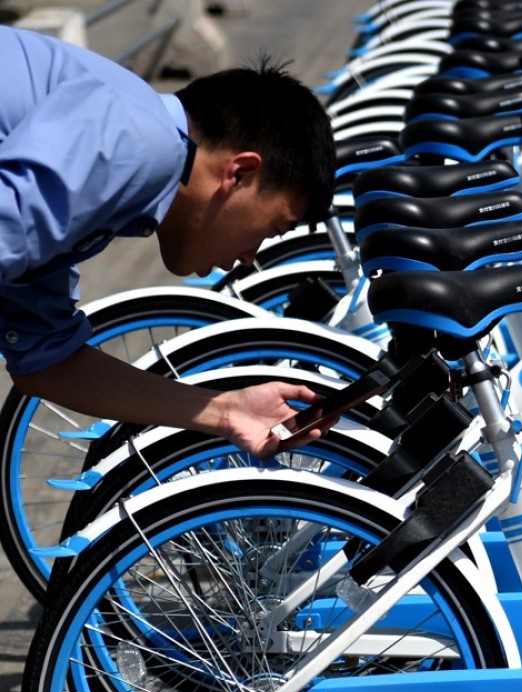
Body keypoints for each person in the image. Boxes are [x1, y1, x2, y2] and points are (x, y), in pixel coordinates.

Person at [0, 25, 339, 459]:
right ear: (239, 174)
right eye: (271, 230)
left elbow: (47, 361)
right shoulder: (136, 141)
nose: (250, 259)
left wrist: (227, 410)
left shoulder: (131, 148)